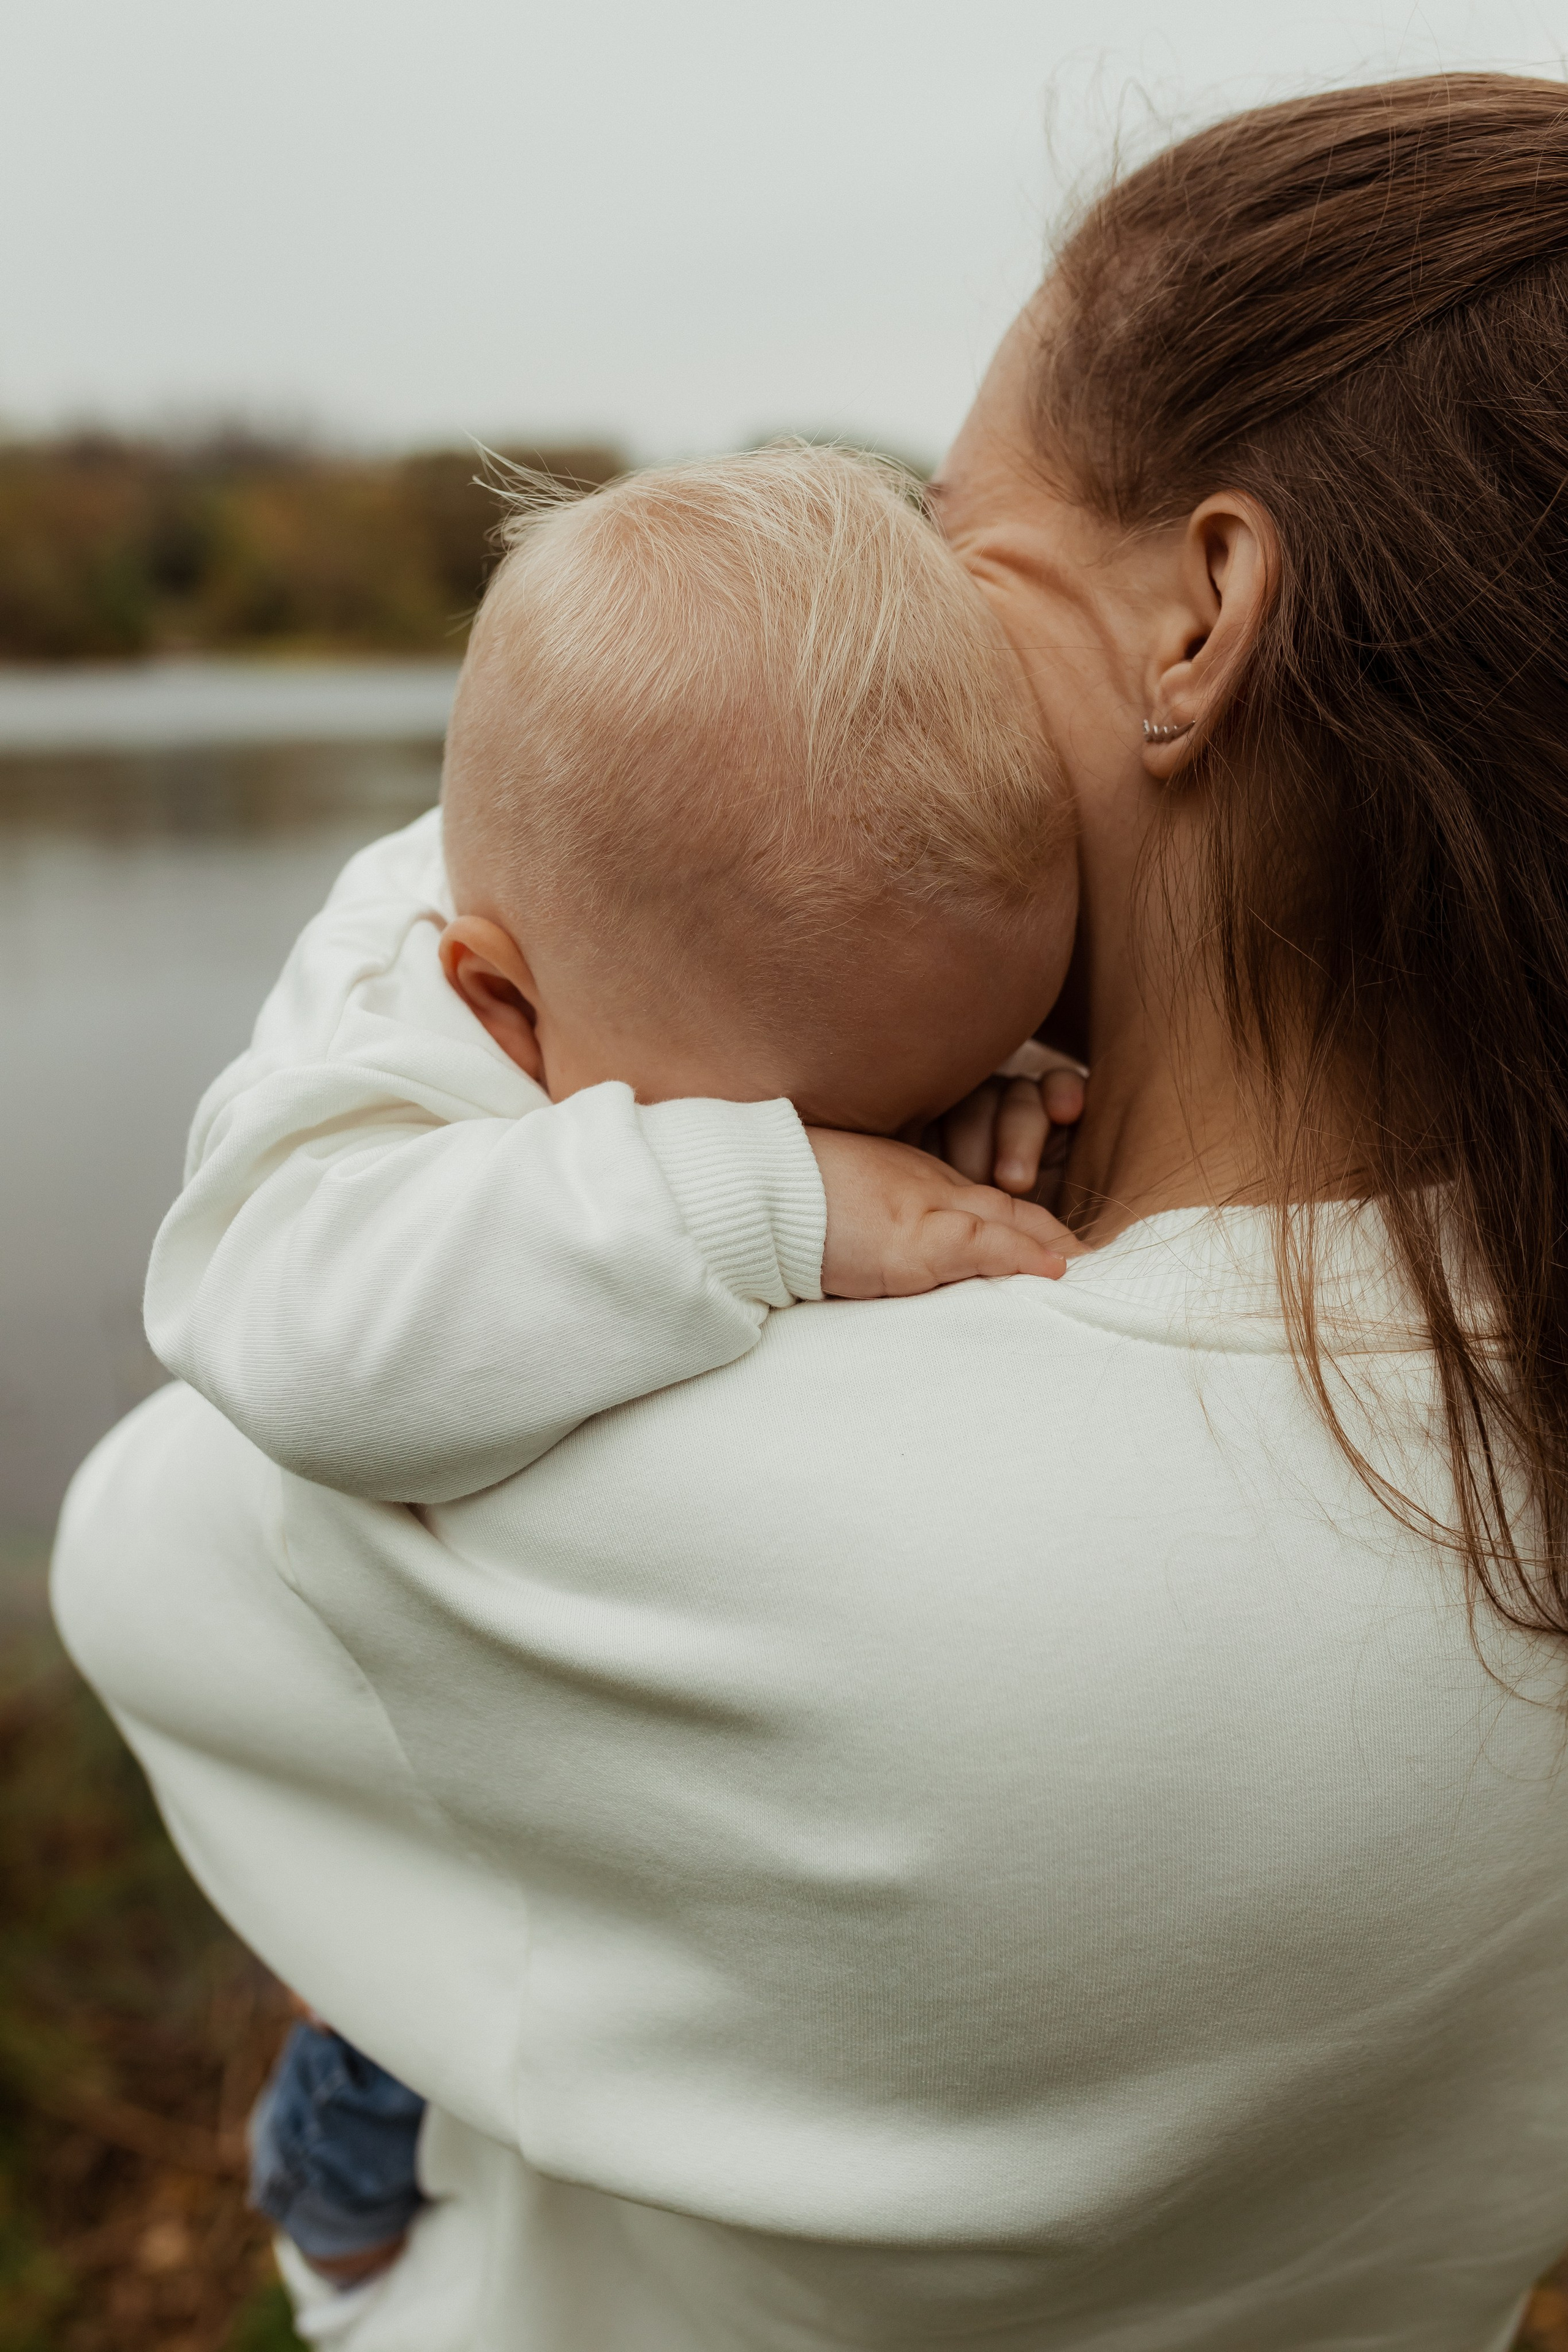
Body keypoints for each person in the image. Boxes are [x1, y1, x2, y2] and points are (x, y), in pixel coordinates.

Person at [53, 70, 1568, 2352]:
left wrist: (540, 894)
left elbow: (147, 1536)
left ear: (1206, 617)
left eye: (959, 549)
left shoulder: (809, 1524)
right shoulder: (1484, 1369)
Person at [168, 437, 1086, 2292]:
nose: (892, 1150)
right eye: (836, 1118)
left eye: (952, 1078)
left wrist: (1011, 1092)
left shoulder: (681, 935)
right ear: (508, 1009)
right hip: (398, 1769)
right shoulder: (384, 1061)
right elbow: (290, 1342)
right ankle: (327, 2202)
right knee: (386, 2034)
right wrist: (774, 1198)